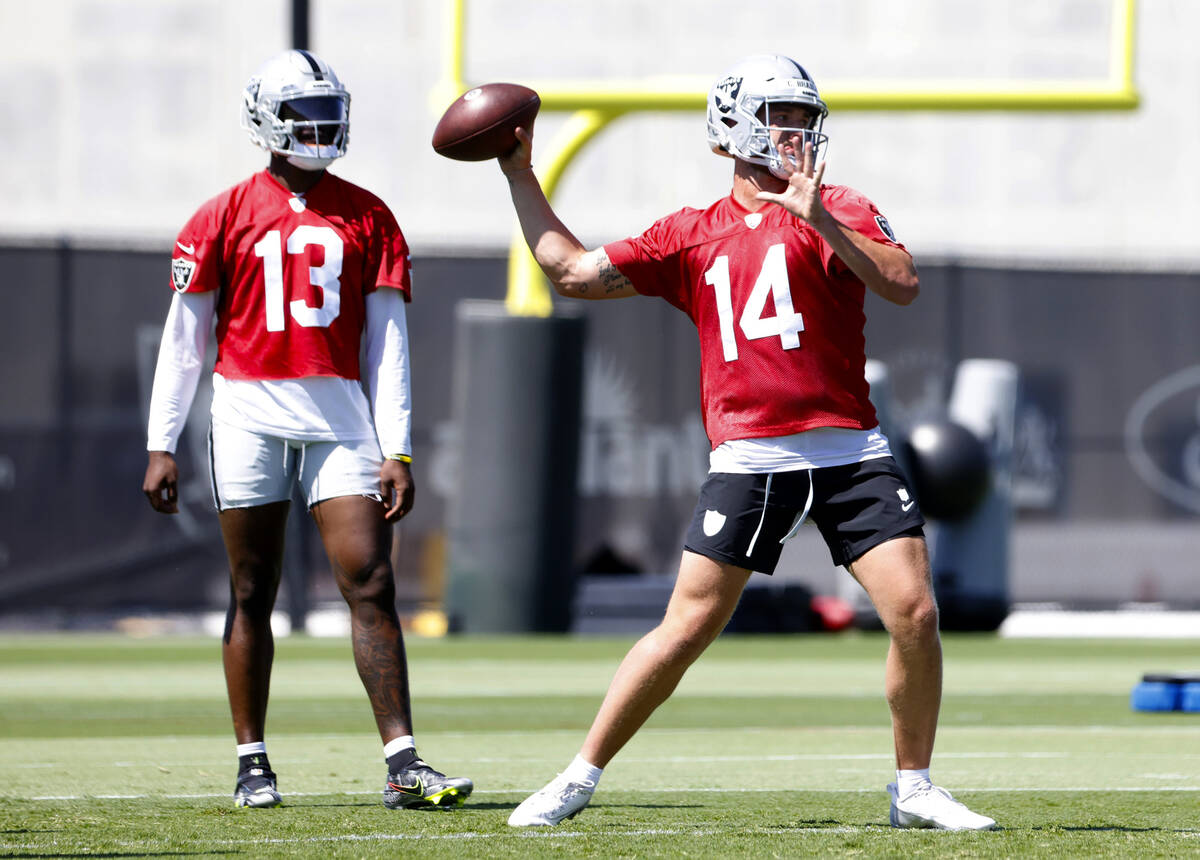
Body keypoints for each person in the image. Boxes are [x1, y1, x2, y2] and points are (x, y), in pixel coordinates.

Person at [497, 54, 995, 831]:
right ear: (731, 130)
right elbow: (570, 272)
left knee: (916, 613)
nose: (796, 135)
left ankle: (916, 787)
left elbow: (901, 284)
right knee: (687, 627)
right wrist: (519, 175)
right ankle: (577, 776)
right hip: (751, 456)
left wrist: (819, 218)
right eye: (780, 120)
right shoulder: (689, 235)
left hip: (848, 448)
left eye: (804, 120)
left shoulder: (841, 205)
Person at [141, 49, 472, 811]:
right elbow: (185, 338)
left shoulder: (369, 213)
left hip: (339, 416)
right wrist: (162, 441)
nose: (320, 127)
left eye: (329, 112)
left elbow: (387, 341)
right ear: (265, 120)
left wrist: (399, 445)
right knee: (252, 588)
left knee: (373, 581)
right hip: (248, 411)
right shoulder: (222, 213)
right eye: (304, 114)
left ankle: (403, 762)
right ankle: (252, 761)